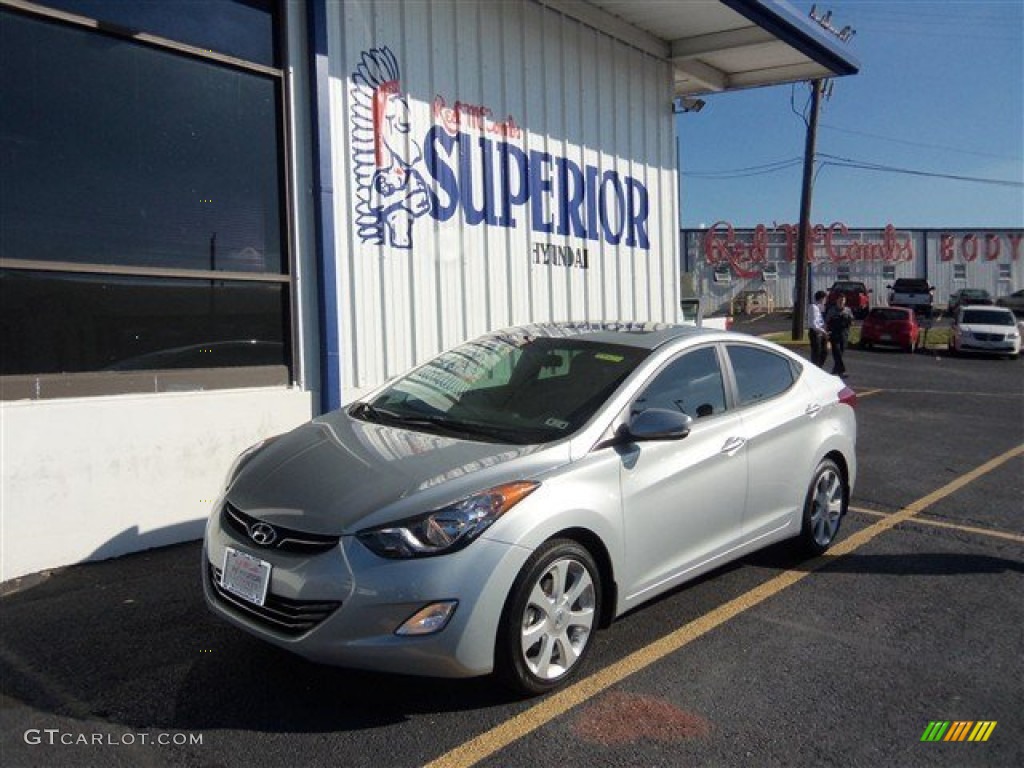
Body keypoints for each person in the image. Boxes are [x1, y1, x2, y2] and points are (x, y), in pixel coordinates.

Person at [825, 294, 854, 378]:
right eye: (840, 300)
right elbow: (827, 322)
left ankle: (834, 372)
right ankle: (842, 371)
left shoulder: (848, 310)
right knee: (836, 352)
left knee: (840, 354)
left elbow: (852, 321)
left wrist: (849, 320)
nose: (841, 302)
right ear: (836, 301)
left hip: (844, 334)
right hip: (834, 334)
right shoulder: (832, 310)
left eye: (843, 300)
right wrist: (827, 334)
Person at [806, 290, 828, 367]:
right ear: (821, 298)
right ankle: (816, 368)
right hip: (815, 333)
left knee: (824, 352)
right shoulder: (813, 307)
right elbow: (813, 324)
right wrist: (823, 332)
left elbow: (820, 320)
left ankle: (819, 367)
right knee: (816, 353)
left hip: (821, 332)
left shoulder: (819, 307)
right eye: (825, 298)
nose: (825, 300)